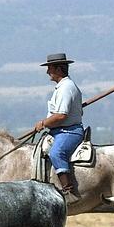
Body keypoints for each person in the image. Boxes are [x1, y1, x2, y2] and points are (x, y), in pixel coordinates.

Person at [34, 53, 84, 202]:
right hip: (59, 130)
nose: (47, 71)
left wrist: (43, 123)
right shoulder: (62, 87)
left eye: (49, 68)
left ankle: (69, 191)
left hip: (69, 131)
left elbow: (61, 115)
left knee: (57, 152)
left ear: (58, 69)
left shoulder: (66, 88)